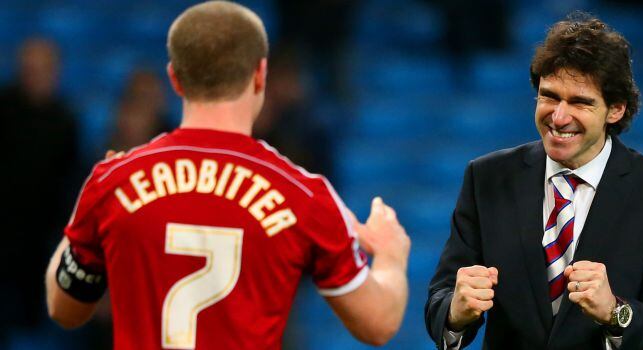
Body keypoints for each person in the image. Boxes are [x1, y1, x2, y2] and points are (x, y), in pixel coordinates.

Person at [44, 2, 410, 349]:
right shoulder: (304, 195)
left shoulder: (114, 182)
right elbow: (378, 324)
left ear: (174, 78)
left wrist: (87, 207)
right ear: (259, 75)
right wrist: (391, 254)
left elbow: (65, 309)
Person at [425, 12, 643, 350]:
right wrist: (456, 312)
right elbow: (441, 300)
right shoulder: (487, 177)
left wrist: (614, 312)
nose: (558, 116)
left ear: (615, 109)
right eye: (550, 96)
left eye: (579, 102)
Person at [0, 37, 79, 342]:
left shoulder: (65, 119)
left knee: (35, 323)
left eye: (42, 69)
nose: (35, 76)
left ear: (55, 72)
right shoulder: (3, 109)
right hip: (4, 234)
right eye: (29, 69)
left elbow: (69, 180)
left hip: (41, 237)